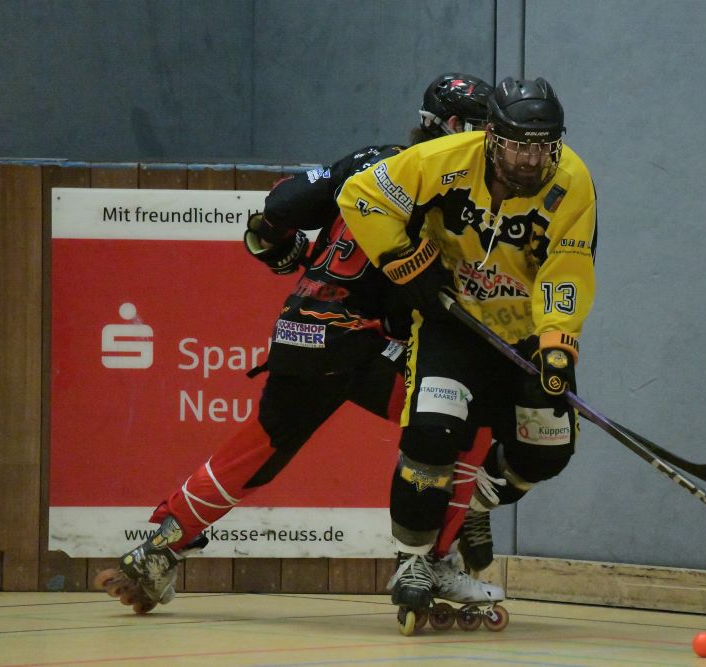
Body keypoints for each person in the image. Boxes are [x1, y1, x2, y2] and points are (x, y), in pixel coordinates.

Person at [96, 73, 503, 615]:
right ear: (453, 129)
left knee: (259, 447)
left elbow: (275, 213)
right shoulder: (453, 189)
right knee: (465, 416)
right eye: (483, 134)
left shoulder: (371, 160)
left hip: (300, 329)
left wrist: (280, 250)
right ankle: (438, 560)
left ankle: (159, 544)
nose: (490, 149)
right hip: (357, 337)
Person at [338, 76, 597, 620]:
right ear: (491, 139)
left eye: (541, 146)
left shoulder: (571, 182)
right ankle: (414, 562)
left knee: (547, 450)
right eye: (518, 145)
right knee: (431, 433)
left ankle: (476, 506)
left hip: (524, 333)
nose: (530, 160)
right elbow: (360, 196)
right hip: (451, 322)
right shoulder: (444, 159)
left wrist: (557, 344)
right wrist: (407, 263)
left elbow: (566, 267)